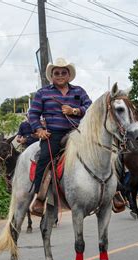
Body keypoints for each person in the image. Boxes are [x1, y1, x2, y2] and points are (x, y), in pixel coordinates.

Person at [28, 57, 92, 216]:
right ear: (52, 76)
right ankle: (39, 198)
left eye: (64, 72)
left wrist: (75, 111)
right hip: (54, 133)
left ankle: (114, 191)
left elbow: (89, 107)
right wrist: (39, 130)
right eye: (57, 73)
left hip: (77, 132)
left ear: (69, 75)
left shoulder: (79, 91)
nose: (60, 75)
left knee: (101, 151)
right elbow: (33, 114)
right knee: (44, 159)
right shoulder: (43, 93)